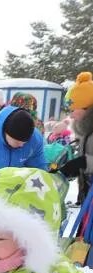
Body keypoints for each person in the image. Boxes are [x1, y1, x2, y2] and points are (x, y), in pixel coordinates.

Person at [59, 72, 93, 205]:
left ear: (87, 108)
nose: (71, 116)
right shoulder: (85, 130)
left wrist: (84, 162)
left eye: (73, 110)